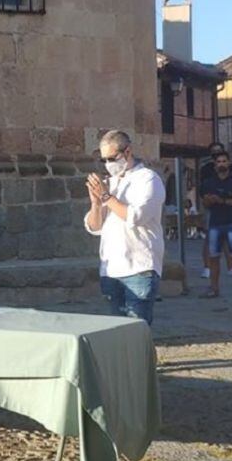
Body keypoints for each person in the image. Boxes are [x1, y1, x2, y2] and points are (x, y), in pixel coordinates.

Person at [84, 131, 165, 323]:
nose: (108, 164)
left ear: (127, 152)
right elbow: (94, 227)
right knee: (118, 331)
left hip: (139, 268)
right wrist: (96, 203)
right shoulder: (110, 183)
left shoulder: (148, 179)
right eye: (104, 160)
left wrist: (106, 197)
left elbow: (135, 216)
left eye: (112, 158)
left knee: (137, 330)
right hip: (111, 270)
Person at [200, 149, 232, 300]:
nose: (221, 164)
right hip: (215, 223)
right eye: (218, 162)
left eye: (224, 161)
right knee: (214, 258)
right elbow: (205, 203)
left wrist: (222, 200)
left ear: (229, 163)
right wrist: (210, 200)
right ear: (215, 165)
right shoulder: (209, 183)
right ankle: (214, 288)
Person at [198, 142, 231, 278]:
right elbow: (203, 188)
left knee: (227, 237)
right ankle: (207, 267)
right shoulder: (206, 169)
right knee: (210, 237)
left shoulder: (230, 169)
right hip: (211, 205)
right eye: (214, 151)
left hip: (227, 205)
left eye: (219, 151)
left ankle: (231, 267)